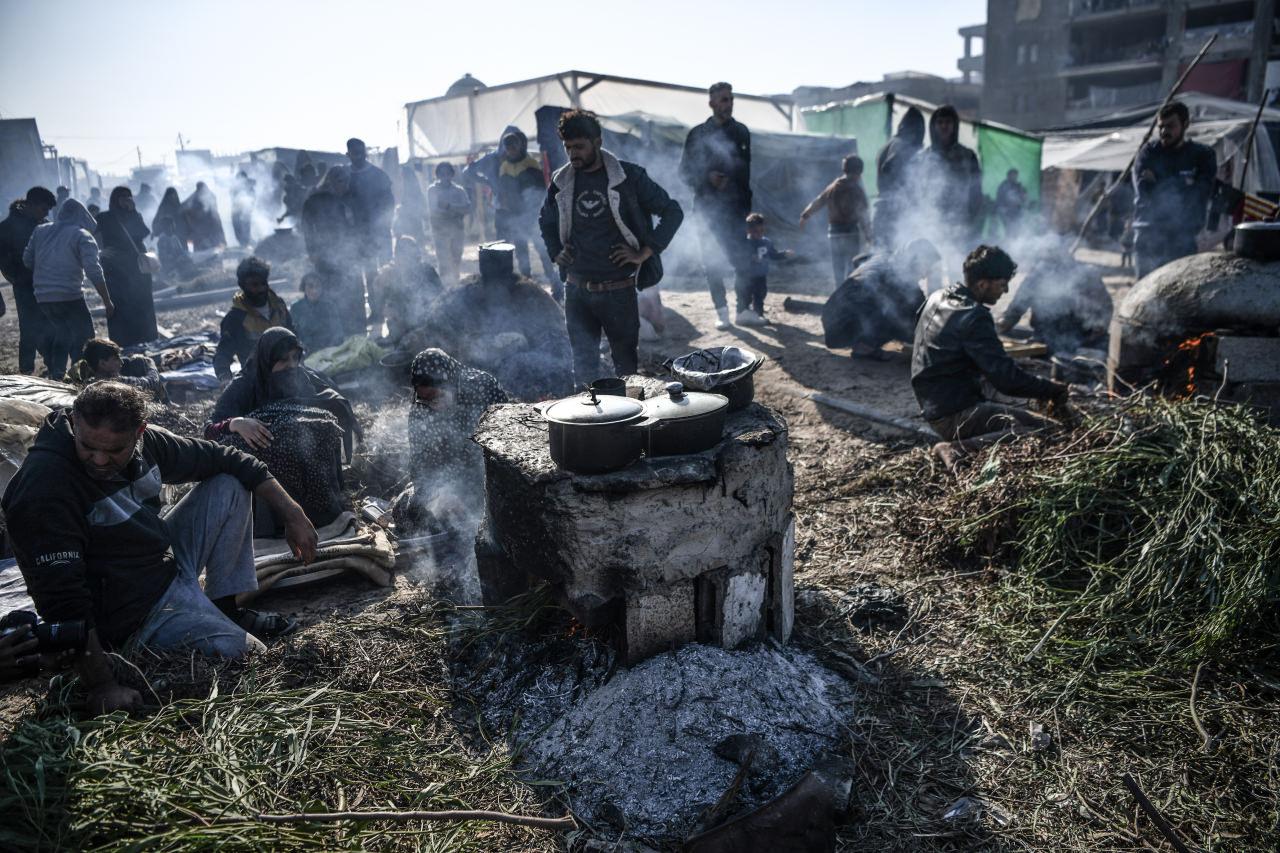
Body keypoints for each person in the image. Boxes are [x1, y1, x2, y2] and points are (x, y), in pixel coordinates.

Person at [2, 382, 315, 713]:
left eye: (113, 451)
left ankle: (225, 608)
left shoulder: (149, 444)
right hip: (133, 610)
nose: (98, 460)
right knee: (253, 658)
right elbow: (64, 601)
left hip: (161, 560)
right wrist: (103, 684)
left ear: (139, 432)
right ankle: (193, 620)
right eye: (88, 447)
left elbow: (228, 457)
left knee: (228, 483)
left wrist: (293, 513)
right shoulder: (45, 487)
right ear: (74, 424)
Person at [540, 109, 684, 388]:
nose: (573, 154)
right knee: (582, 370)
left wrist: (645, 251)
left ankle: (627, 428)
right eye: (568, 147)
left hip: (618, 291)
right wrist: (556, 251)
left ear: (597, 141)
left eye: (579, 146)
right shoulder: (562, 181)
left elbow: (672, 211)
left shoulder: (628, 177)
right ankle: (587, 429)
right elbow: (545, 219)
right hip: (577, 291)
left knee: (626, 370)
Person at [911, 245, 1071, 462]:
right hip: (954, 415)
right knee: (1046, 432)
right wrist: (1051, 389)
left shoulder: (938, 296)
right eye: (1002, 285)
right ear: (982, 284)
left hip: (933, 405)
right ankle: (955, 448)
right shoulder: (974, 316)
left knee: (1033, 421)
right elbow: (1007, 380)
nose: (1005, 292)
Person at [207, 328, 359, 531]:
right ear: (267, 361)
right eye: (283, 360)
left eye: (294, 358)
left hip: (305, 461)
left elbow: (333, 399)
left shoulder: (302, 376)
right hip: (264, 462)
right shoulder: (244, 385)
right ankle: (274, 526)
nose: (291, 366)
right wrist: (237, 423)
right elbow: (209, 430)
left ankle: (321, 516)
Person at [420, 242, 572, 399]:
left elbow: (557, 338)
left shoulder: (531, 295)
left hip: (519, 368)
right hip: (474, 368)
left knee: (518, 364)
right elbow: (439, 333)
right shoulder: (464, 296)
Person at [394, 348, 508, 536]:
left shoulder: (482, 388)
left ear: (451, 383)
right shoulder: (419, 410)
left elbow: (508, 438)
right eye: (424, 400)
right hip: (451, 483)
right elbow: (419, 464)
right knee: (407, 510)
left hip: (489, 475)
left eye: (436, 397)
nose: (432, 406)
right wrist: (438, 494)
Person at [680, 82, 751, 330]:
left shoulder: (741, 132)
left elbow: (746, 173)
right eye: (723, 100)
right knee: (712, 261)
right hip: (707, 210)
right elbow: (684, 172)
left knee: (743, 259)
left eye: (730, 99)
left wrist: (746, 208)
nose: (728, 104)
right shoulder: (697, 134)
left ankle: (744, 310)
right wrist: (707, 178)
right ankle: (722, 312)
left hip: (735, 209)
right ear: (711, 104)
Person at [23, 199, 114, 380]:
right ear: (83, 217)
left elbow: (27, 260)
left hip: (43, 297)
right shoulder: (82, 235)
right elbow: (93, 270)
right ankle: (81, 378)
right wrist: (107, 301)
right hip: (69, 296)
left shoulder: (40, 231)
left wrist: (47, 275)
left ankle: (57, 375)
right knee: (85, 341)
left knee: (61, 334)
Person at [1131, 101, 1217, 279]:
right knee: (1144, 293)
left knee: (1180, 296)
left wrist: (1160, 182)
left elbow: (1201, 193)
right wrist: (1185, 183)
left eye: (1170, 126)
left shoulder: (1202, 155)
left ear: (1185, 124)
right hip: (1149, 234)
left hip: (1183, 237)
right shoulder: (1148, 153)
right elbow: (1144, 190)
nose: (1164, 132)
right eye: (1161, 127)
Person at [465, 129, 555, 290]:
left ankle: (555, 284)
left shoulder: (530, 163)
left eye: (514, 147)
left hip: (531, 216)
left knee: (541, 249)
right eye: (508, 148)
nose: (511, 151)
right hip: (514, 216)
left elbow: (539, 191)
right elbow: (503, 190)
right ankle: (528, 284)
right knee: (521, 251)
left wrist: (532, 212)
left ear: (520, 146)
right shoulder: (504, 166)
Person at [822, 238, 940, 359]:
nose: (926, 273)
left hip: (832, 314)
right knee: (895, 313)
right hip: (841, 326)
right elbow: (918, 317)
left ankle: (864, 342)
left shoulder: (885, 257)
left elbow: (857, 260)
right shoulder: (899, 278)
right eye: (926, 265)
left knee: (891, 306)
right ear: (914, 260)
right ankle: (864, 348)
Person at [996, 251, 1112, 354]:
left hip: (1081, 342)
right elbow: (1014, 312)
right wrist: (996, 328)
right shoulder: (1036, 277)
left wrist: (1093, 336)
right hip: (1045, 340)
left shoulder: (1087, 275)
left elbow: (1105, 310)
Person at [0, 187, 57, 374]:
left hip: (48, 284)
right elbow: (3, 261)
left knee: (51, 326)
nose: (46, 214)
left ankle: (54, 366)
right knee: (29, 329)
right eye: (43, 209)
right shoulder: (7, 227)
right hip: (25, 286)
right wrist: (17, 278)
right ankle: (26, 372)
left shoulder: (43, 224)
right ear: (30, 205)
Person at [302, 166, 364, 336]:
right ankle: (337, 335)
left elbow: (355, 227)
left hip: (349, 256)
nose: (346, 186)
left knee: (354, 295)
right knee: (332, 296)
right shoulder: (314, 201)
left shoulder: (346, 199)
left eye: (347, 182)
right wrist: (312, 251)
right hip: (326, 258)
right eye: (342, 182)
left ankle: (358, 335)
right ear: (332, 181)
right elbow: (307, 229)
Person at [94, 187, 158, 348]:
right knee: (119, 305)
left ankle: (147, 339)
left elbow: (144, 233)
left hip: (137, 269)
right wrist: (101, 252)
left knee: (142, 303)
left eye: (128, 197)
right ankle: (121, 343)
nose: (125, 200)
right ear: (114, 199)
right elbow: (94, 237)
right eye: (121, 197)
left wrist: (133, 212)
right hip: (115, 269)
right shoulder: (104, 217)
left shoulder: (135, 215)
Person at [214, 256, 292, 381]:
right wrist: (225, 377)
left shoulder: (279, 306)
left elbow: (293, 336)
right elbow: (223, 353)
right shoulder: (235, 318)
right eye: (254, 285)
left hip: (289, 373)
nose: (261, 289)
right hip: (257, 378)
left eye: (263, 283)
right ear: (243, 286)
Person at [343, 138, 395, 321]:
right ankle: (376, 311)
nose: (358, 156)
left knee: (386, 272)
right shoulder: (345, 177)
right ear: (348, 154)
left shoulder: (379, 175)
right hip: (359, 237)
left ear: (365, 152)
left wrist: (383, 225)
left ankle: (392, 310)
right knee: (368, 273)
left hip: (380, 233)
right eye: (354, 153)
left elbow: (389, 204)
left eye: (361, 152)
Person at [920, 105, 984, 251]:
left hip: (960, 222)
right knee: (932, 268)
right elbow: (918, 191)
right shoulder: (924, 157)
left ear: (954, 126)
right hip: (932, 222)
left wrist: (972, 219)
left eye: (948, 122)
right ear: (934, 126)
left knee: (958, 266)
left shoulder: (968, 156)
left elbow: (977, 192)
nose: (944, 126)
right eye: (940, 122)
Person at [800, 154, 871, 285]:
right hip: (851, 233)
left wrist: (805, 215)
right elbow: (863, 215)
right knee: (852, 265)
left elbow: (819, 201)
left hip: (834, 232)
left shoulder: (833, 187)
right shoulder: (857, 190)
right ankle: (849, 292)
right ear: (859, 172)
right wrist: (868, 235)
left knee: (837, 267)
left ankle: (838, 291)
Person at [872, 107, 925, 250]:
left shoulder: (889, 144)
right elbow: (890, 166)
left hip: (882, 211)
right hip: (893, 214)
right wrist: (902, 196)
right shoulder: (902, 144)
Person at [376, 236, 443, 345]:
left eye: (412, 258)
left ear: (417, 257)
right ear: (397, 258)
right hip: (403, 328)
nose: (408, 263)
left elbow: (440, 300)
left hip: (428, 325)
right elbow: (386, 309)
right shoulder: (392, 275)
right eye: (404, 258)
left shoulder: (428, 272)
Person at [736, 213, 792, 326]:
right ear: (748, 231)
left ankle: (758, 315)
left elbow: (773, 254)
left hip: (760, 276)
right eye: (755, 231)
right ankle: (741, 314)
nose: (759, 234)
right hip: (745, 276)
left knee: (760, 295)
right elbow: (736, 257)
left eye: (761, 231)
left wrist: (784, 254)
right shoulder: (744, 243)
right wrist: (749, 258)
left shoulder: (766, 242)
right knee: (743, 296)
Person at [69, 337, 165, 400]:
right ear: (102, 363)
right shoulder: (118, 383)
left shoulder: (89, 383)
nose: (121, 362)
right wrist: (151, 365)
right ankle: (168, 404)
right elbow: (151, 382)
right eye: (116, 359)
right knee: (141, 363)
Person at [428, 162, 470, 287]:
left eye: (447, 173)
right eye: (442, 173)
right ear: (437, 175)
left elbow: (467, 208)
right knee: (443, 261)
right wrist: (455, 210)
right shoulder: (433, 190)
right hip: (440, 231)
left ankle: (455, 286)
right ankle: (445, 288)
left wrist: (449, 207)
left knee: (456, 259)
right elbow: (434, 210)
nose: (445, 176)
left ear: (452, 174)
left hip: (457, 229)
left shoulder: (458, 190)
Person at [290, 272, 346, 352]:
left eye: (318, 286)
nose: (314, 291)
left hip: (328, 351)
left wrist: (330, 348)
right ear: (304, 287)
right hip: (305, 352)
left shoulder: (329, 306)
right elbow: (293, 334)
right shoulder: (296, 308)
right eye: (310, 286)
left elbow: (338, 331)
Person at [182, 182, 227, 251]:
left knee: (204, 252)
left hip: (199, 233)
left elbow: (182, 208)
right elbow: (216, 220)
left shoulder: (194, 197)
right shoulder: (209, 196)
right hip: (207, 232)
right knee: (210, 252)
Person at [995, 169, 1027, 238]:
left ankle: (1015, 244)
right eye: (1013, 175)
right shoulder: (1003, 186)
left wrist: (1023, 196)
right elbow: (1000, 199)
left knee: (1017, 229)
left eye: (1015, 175)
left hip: (1016, 211)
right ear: (1008, 176)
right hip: (1006, 211)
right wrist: (1004, 209)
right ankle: (1008, 244)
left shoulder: (1018, 186)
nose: (1014, 177)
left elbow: (1023, 198)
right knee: (1009, 229)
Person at [231, 171, 256, 247]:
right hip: (236, 212)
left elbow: (253, 199)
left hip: (245, 212)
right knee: (238, 232)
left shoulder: (250, 187)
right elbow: (233, 198)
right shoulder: (235, 188)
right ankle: (244, 245)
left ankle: (248, 245)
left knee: (245, 232)